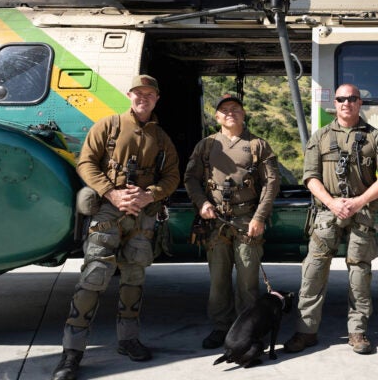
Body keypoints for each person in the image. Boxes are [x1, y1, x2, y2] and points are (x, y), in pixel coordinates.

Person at [52, 74, 180, 380]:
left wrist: (150, 195)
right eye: (138, 93)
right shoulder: (108, 126)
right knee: (94, 278)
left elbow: (172, 175)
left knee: (134, 277)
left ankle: (128, 340)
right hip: (108, 211)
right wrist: (112, 193)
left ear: (156, 98)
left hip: (142, 215)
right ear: (129, 95)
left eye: (149, 94)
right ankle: (72, 352)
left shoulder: (161, 138)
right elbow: (86, 162)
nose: (143, 98)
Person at [284, 84, 378, 355]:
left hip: (362, 212)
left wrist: (358, 202)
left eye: (352, 98)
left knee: (359, 273)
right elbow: (310, 177)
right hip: (327, 211)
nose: (346, 103)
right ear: (334, 103)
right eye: (341, 99)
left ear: (360, 103)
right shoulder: (320, 137)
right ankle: (306, 331)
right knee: (313, 272)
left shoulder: (376, 138)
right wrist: (332, 203)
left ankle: (357, 332)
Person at [184, 93, 280, 349]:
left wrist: (259, 217)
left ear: (243, 114)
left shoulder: (259, 145)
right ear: (216, 116)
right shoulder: (205, 145)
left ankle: (246, 329)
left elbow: (272, 184)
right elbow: (190, 178)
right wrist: (202, 203)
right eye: (224, 110)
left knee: (248, 281)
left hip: (247, 220)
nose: (230, 113)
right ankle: (220, 327)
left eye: (235, 109)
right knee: (218, 281)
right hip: (215, 222)